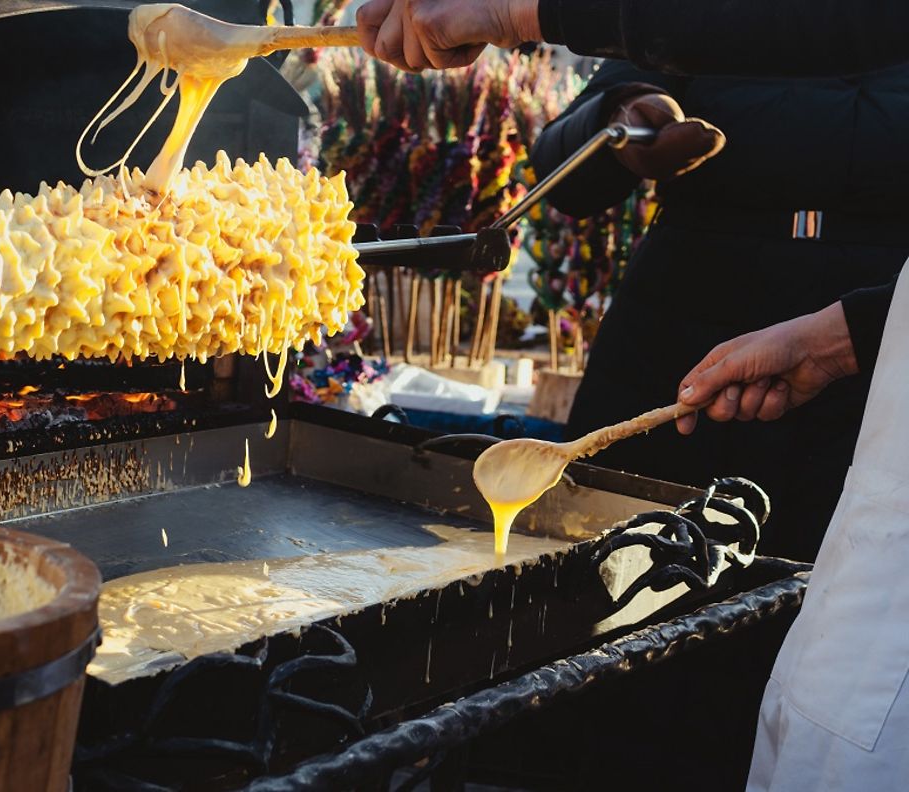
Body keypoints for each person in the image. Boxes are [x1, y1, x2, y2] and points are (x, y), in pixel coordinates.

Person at [351, 0, 909, 789]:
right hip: (679, 339)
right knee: (616, 606)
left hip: (870, 364)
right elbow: (569, 170)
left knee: (807, 625)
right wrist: (626, 124)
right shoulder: (696, 27)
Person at [528, 62, 909, 562]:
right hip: (681, 318)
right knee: (608, 562)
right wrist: (623, 116)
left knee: (843, 571)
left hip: (879, 333)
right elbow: (567, 173)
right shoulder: (710, 14)